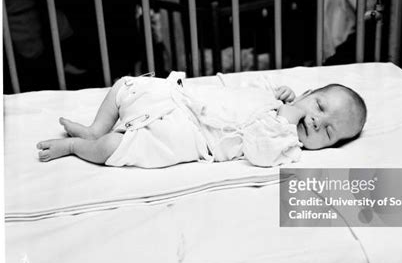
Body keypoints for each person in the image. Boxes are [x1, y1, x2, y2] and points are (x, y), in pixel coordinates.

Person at [36, 72, 367, 167]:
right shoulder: (274, 95)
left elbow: (260, 151)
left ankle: (77, 146)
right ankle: (95, 127)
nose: (316, 123)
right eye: (320, 107)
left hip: (190, 134)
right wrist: (275, 93)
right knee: (126, 85)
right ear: (308, 92)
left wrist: (285, 118)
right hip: (181, 98)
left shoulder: (287, 145)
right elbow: (241, 93)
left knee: (115, 147)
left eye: (329, 133)